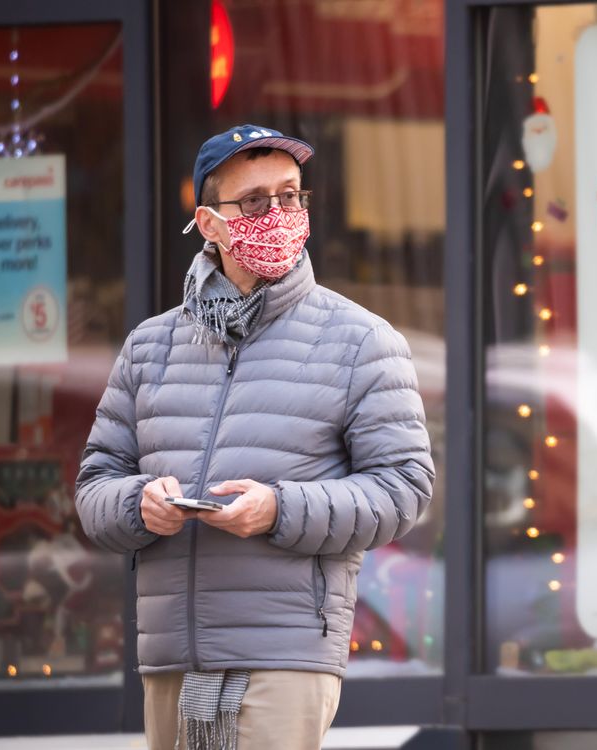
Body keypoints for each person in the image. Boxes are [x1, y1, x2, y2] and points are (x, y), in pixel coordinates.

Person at [75, 124, 435, 750]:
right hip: (172, 658)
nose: (279, 214)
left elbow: (404, 489)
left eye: (292, 196)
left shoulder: (361, 341)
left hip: (286, 651)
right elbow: (94, 489)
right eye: (256, 201)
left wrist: (279, 509)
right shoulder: (150, 346)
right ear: (209, 224)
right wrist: (140, 506)